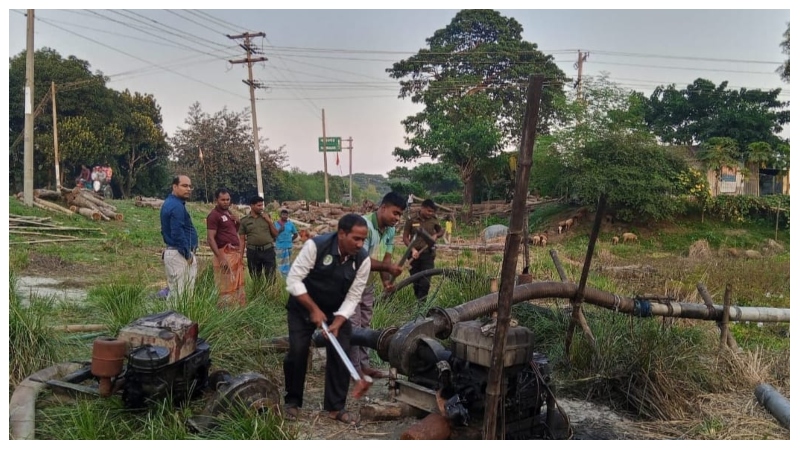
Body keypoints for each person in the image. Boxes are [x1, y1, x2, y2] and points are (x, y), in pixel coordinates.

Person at [283, 213, 371, 426]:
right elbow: (293, 279)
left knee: (342, 349)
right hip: (302, 306)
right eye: (356, 239)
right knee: (298, 350)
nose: (360, 244)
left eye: (363, 240)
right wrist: (313, 309)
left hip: (335, 310)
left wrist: (339, 321)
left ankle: (335, 406)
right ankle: (292, 401)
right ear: (342, 234)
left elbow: (354, 296)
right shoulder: (316, 246)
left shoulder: (362, 260)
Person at [349, 192, 405, 379]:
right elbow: (361, 259)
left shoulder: (389, 230)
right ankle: (354, 369)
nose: (397, 219)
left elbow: (385, 256)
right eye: (395, 213)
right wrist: (388, 267)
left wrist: (385, 280)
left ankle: (364, 366)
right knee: (354, 326)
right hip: (350, 282)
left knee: (365, 325)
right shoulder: (363, 226)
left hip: (367, 283)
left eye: (400, 215)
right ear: (382, 208)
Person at [160, 175, 198, 298]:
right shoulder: (176, 206)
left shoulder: (172, 203)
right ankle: (174, 318)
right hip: (179, 254)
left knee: (178, 295)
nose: (188, 189)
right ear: (175, 186)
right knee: (182, 297)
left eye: (190, 186)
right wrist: (187, 255)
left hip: (175, 253)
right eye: (184, 186)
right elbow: (177, 232)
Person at [206, 188, 245, 306]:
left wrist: (237, 222)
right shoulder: (214, 215)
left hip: (234, 253)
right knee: (226, 284)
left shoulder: (229, 213)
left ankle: (238, 311)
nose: (225, 202)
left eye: (227, 199)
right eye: (222, 200)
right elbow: (210, 238)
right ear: (216, 200)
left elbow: (233, 231)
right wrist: (220, 257)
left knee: (237, 284)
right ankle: (225, 313)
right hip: (224, 253)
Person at [402, 199, 445, 302]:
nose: (431, 213)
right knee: (416, 281)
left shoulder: (434, 220)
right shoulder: (412, 219)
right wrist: (412, 250)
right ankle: (419, 301)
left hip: (428, 254)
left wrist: (436, 235)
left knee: (425, 281)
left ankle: (422, 306)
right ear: (422, 208)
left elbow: (441, 231)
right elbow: (405, 237)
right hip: (414, 255)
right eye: (429, 211)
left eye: (432, 212)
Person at [238, 195, 280, 280]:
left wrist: (269, 221)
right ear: (252, 206)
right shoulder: (244, 221)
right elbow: (242, 241)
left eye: (262, 205)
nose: (261, 208)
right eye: (259, 205)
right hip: (253, 252)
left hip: (268, 251)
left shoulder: (267, 217)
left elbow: (276, 234)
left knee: (271, 277)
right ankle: (258, 292)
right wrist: (240, 257)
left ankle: (270, 293)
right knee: (255, 277)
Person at [274, 209, 299, 279]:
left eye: (286, 215)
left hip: (289, 247)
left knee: (288, 263)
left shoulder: (290, 224)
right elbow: (273, 235)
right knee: (281, 263)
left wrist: (290, 240)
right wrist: (279, 230)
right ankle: (282, 279)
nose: (285, 216)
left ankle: (288, 279)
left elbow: (295, 234)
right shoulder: (276, 224)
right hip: (280, 247)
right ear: (280, 215)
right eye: (283, 215)